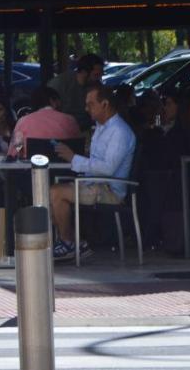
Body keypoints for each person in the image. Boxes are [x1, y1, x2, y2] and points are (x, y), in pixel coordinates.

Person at [49, 84, 136, 260]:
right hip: (94, 184)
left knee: (56, 192)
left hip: (110, 190)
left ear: (105, 104)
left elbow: (108, 168)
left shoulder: (119, 131)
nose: (86, 108)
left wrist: (73, 158)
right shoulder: (100, 128)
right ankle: (73, 242)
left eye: (90, 104)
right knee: (51, 190)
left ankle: (68, 242)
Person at [9, 86, 80, 157]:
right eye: (60, 101)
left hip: (31, 166)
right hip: (64, 166)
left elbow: (14, 152)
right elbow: (77, 151)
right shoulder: (70, 120)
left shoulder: (23, 121)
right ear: (53, 101)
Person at [47, 54, 104, 130]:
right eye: (96, 75)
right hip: (62, 130)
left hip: (88, 129)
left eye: (101, 74)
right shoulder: (59, 84)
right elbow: (47, 113)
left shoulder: (97, 86)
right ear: (84, 72)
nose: (99, 78)